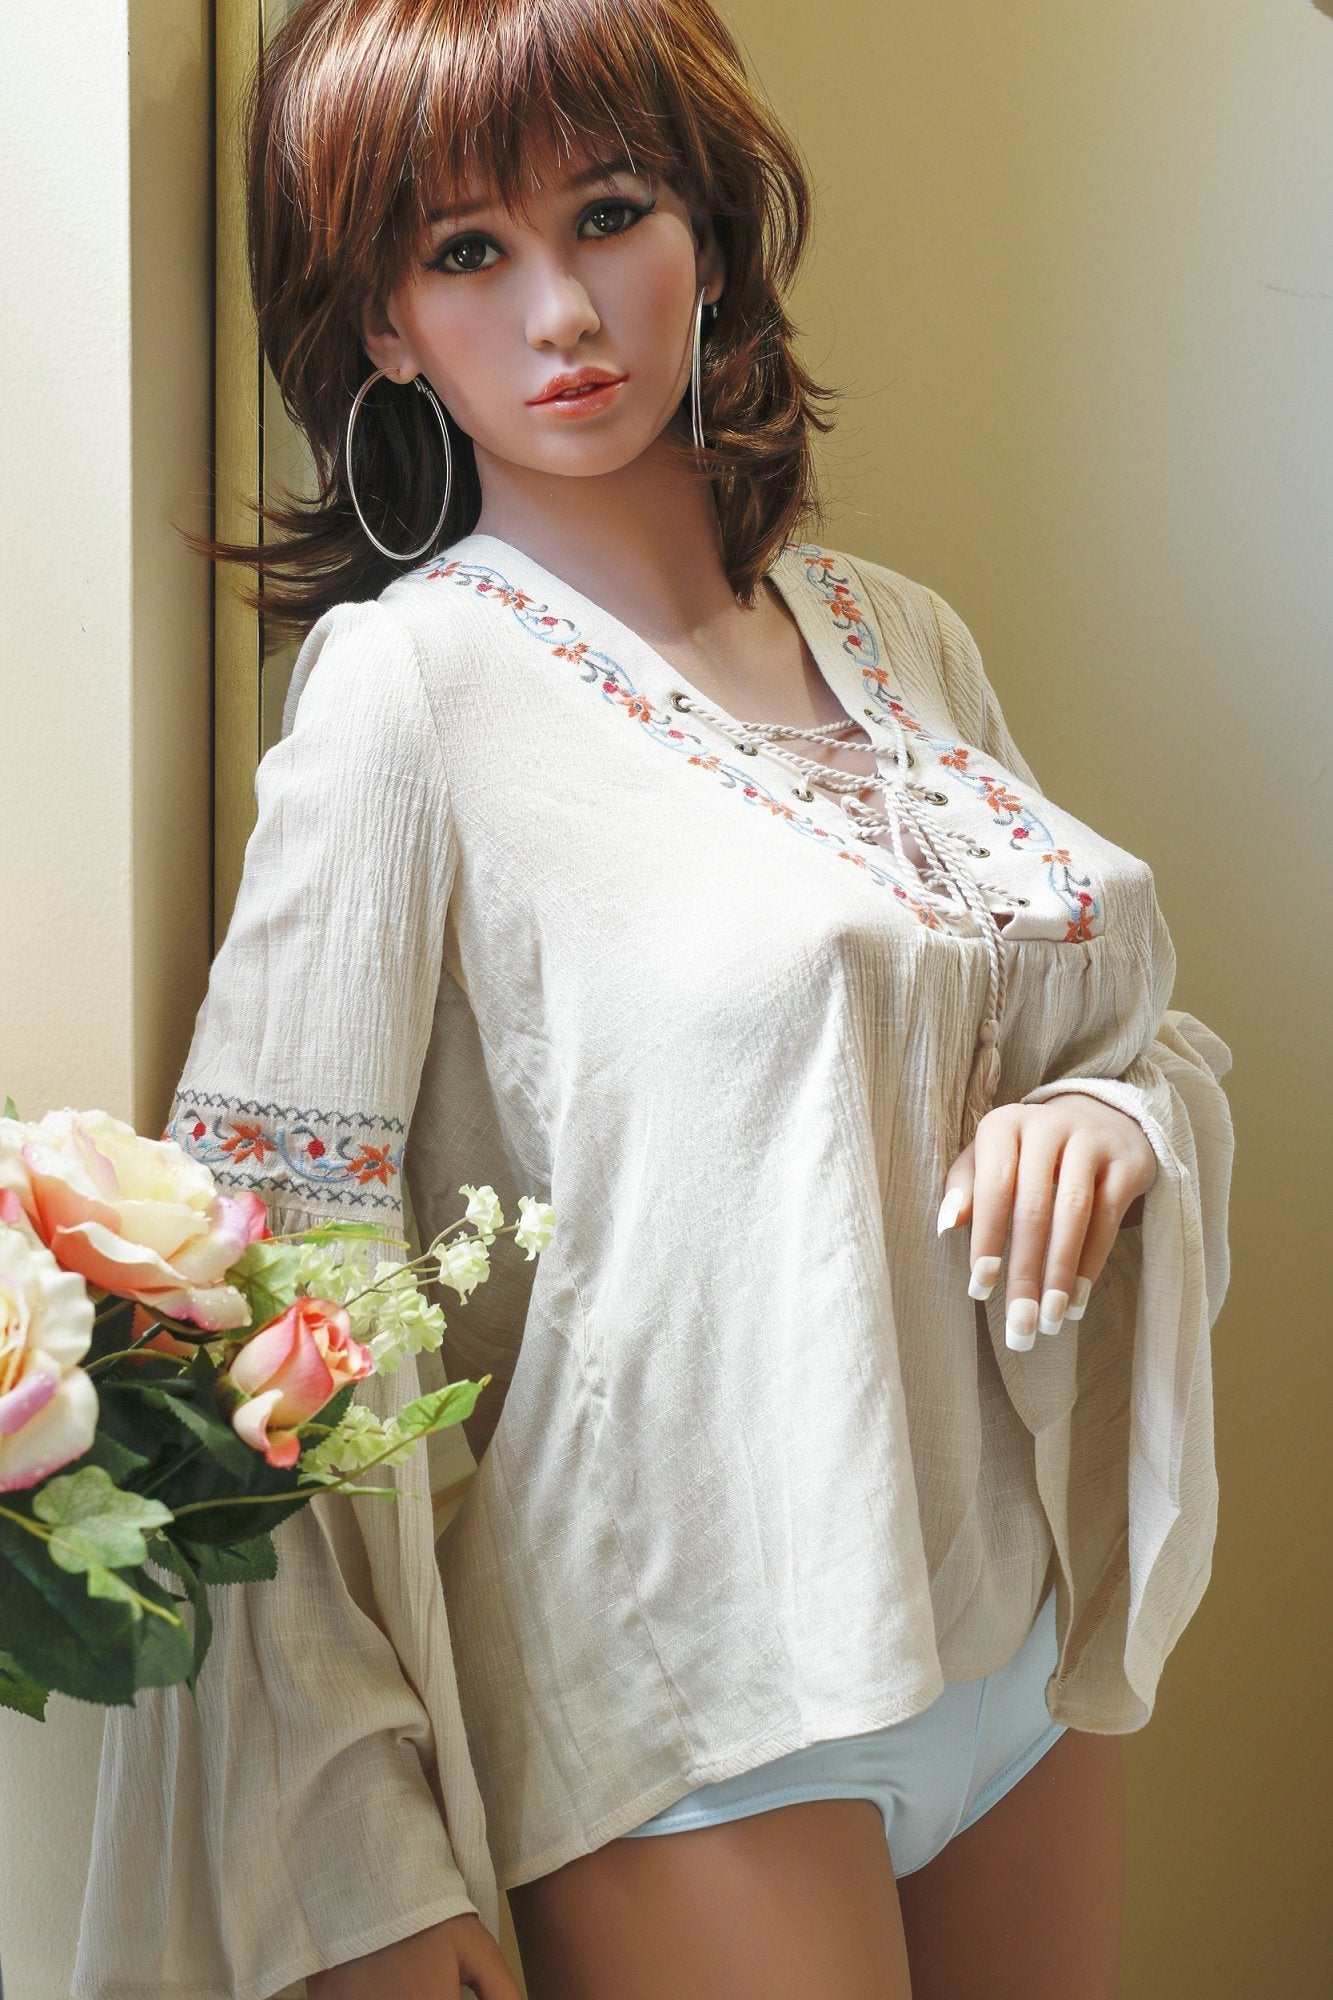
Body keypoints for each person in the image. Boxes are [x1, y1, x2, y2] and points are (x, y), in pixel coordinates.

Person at [72, 2, 1236, 1996]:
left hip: (1015, 1636)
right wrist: (351, 1861)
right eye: (466, 252)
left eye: (608, 213)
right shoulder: (408, 691)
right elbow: (266, 1288)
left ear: (704, 223)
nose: (561, 312)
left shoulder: (897, 635)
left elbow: (1125, 1033)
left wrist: (1109, 1115)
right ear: (383, 327)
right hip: (682, 1699)